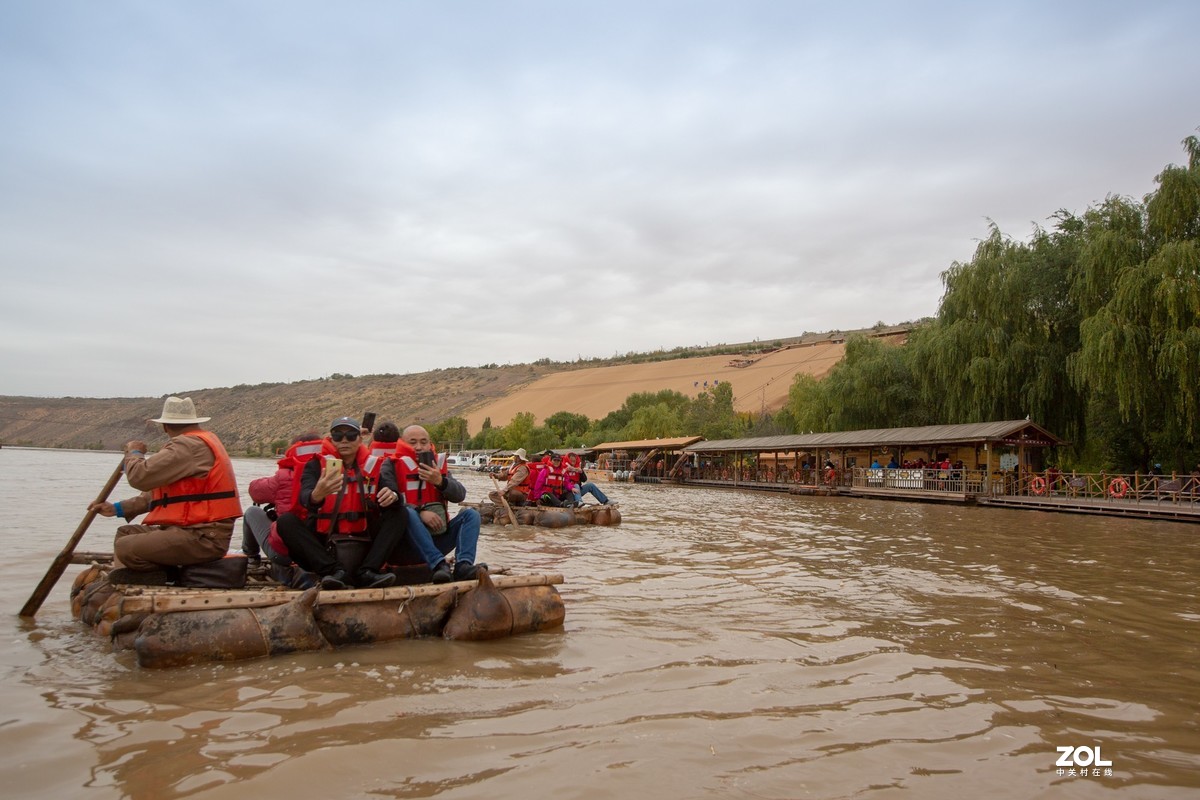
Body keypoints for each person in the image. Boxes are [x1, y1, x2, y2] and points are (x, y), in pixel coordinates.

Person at [89, 396, 243, 585]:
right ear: (194, 422)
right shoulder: (196, 443)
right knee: (125, 533)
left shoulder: (188, 445)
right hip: (193, 531)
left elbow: (139, 476)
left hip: (202, 537)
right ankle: (134, 581)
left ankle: (160, 579)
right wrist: (118, 509)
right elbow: (164, 494)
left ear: (165, 427)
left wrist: (134, 453)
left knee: (124, 547)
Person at [274, 416, 405, 590]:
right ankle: (334, 572)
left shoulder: (374, 465)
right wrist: (316, 495)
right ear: (331, 439)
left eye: (351, 435)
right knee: (285, 522)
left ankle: (367, 571)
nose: (344, 440)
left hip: (364, 538)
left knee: (400, 513)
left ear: (360, 439)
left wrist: (393, 496)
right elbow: (305, 498)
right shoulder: (315, 465)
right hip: (323, 542)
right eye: (338, 436)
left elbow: (394, 493)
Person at [380, 424, 484, 583]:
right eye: (412, 442)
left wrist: (440, 481)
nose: (419, 447)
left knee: (471, 514)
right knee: (407, 512)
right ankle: (438, 564)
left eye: (423, 442)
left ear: (430, 444)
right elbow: (390, 501)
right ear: (402, 443)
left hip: (437, 538)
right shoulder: (390, 465)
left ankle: (463, 565)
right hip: (404, 544)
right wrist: (420, 512)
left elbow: (460, 495)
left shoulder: (438, 466)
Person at [241, 431, 323, 589]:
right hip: (322, 550)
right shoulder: (333, 475)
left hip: (284, 554)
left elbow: (255, 492)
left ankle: (252, 559)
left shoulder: (282, 477)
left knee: (252, 512)